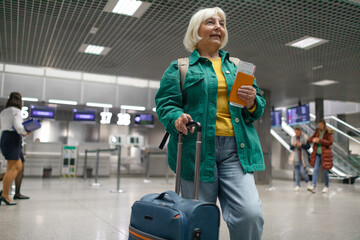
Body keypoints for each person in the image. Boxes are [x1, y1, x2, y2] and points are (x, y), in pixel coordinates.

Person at [155, 7, 265, 240]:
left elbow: (257, 109)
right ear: (196, 30)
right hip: (195, 150)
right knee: (198, 220)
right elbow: (165, 103)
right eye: (211, 22)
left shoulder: (237, 68)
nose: (218, 27)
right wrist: (176, 116)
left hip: (236, 150)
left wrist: (252, 102)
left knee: (249, 213)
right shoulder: (180, 68)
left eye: (222, 23)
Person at [0, 92, 31, 205]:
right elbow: (18, 127)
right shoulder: (16, 111)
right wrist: (26, 131)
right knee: (14, 168)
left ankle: (5, 191)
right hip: (12, 139)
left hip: (5, 137)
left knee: (16, 166)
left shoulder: (4, 112)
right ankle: (4, 195)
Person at [308, 119, 334, 193]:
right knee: (315, 169)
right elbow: (310, 140)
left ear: (324, 125)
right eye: (319, 125)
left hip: (325, 154)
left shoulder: (329, 131)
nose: (320, 127)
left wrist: (320, 140)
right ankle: (313, 186)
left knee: (325, 171)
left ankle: (326, 186)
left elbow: (330, 142)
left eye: (321, 125)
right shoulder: (317, 131)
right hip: (317, 154)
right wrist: (313, 140)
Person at [290, 126, 311, 191]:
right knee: (296, 172)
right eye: (295, 132)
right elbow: (291, 148)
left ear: (300, 131)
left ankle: (308, 182)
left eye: (298, 132)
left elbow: (308, 146)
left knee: (302, 171)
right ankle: (297, 185)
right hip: (295, 158)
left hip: (303, 158)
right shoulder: (293, 138)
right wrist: (293, 145)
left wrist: (301, 145)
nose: (297, 133)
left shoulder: (305, 137)